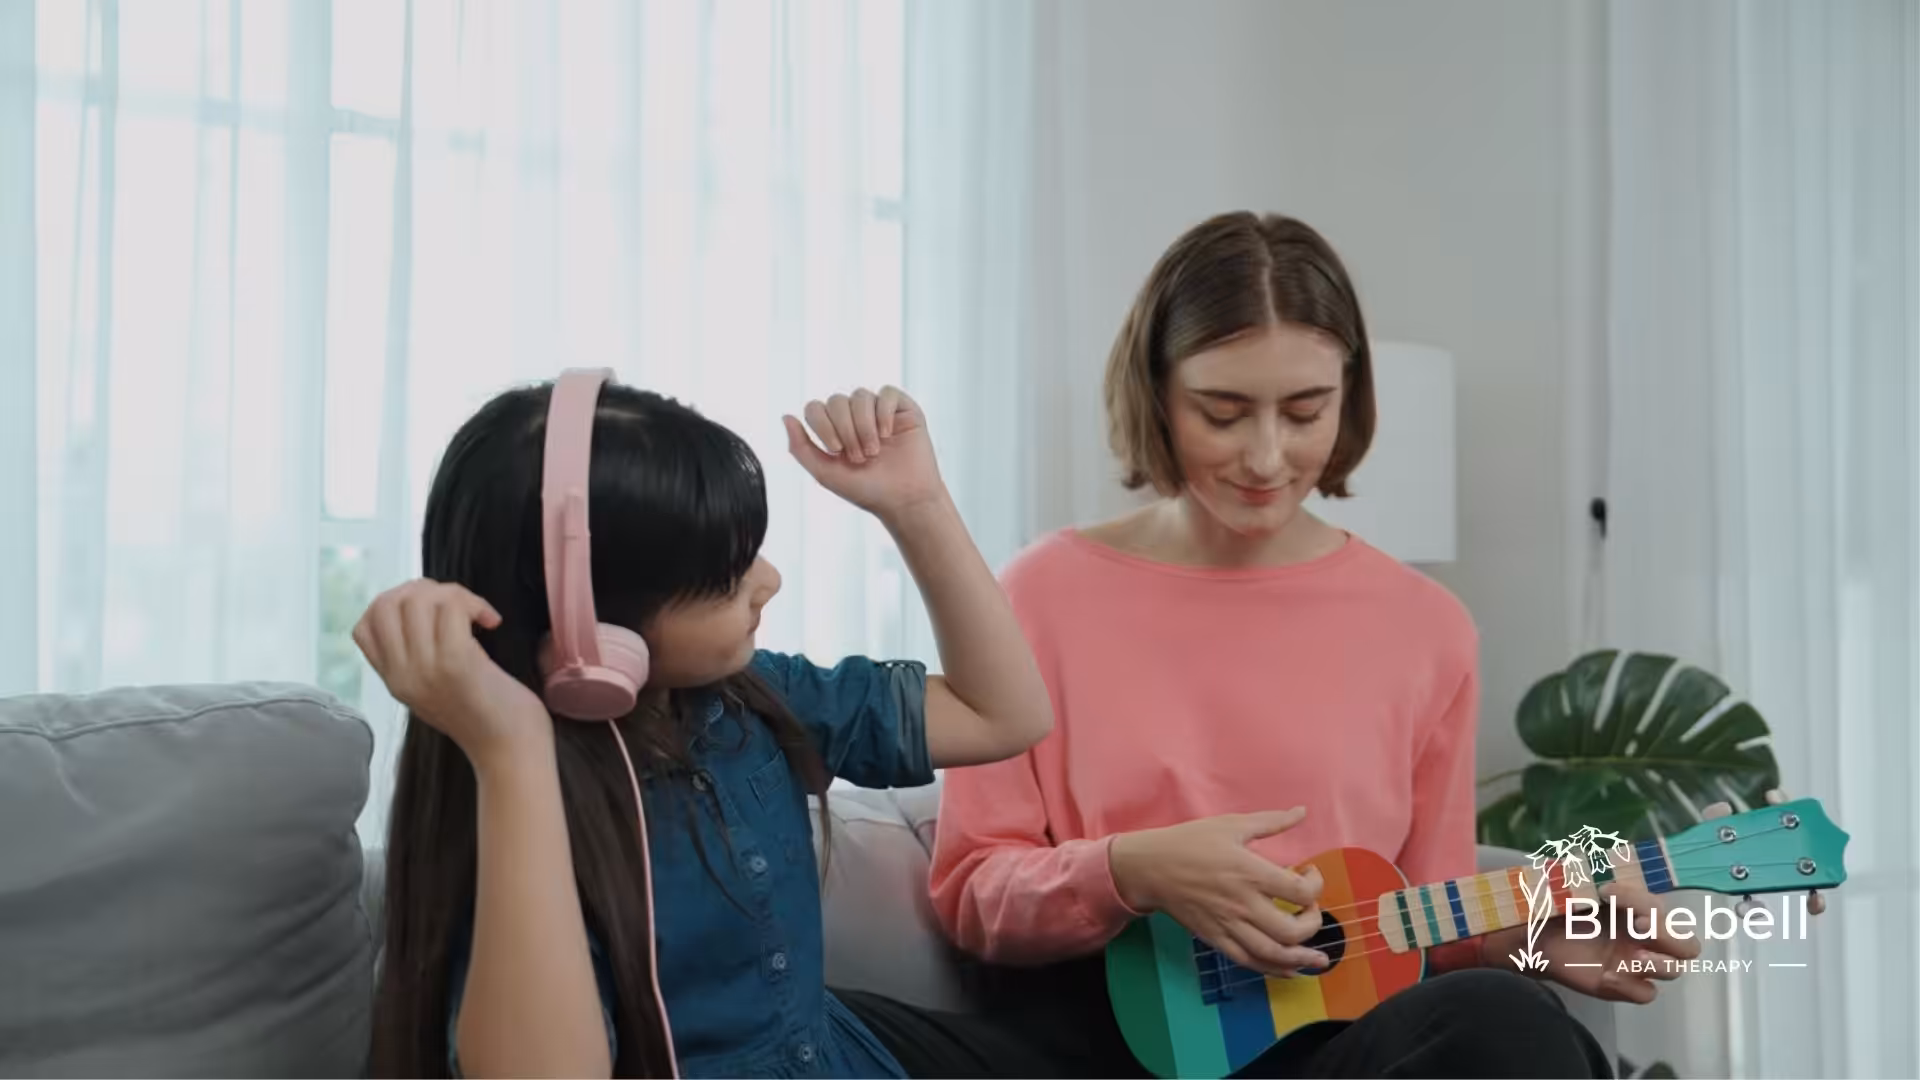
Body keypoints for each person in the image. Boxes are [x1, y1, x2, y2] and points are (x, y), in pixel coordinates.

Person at [903, 211, 1701, 1079]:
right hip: (1090, 1041)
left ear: (1349, 399)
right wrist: (1129, 870)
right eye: (1223, 412)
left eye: (1305, 410)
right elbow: (973, 892)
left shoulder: (1426, 627)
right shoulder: (1037, 594)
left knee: (1508, 1022)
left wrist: (1533, 942)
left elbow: (1424, 918)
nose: (1267, 456)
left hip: (1322, 1048)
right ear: (1158, 395)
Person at [354, 375, 1056, 1078]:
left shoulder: (750, 696)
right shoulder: (513, 804)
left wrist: (917, 505)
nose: (769, 579)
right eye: (726, 578)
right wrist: (513, 753)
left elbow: (1004, 715)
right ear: (591, 628)